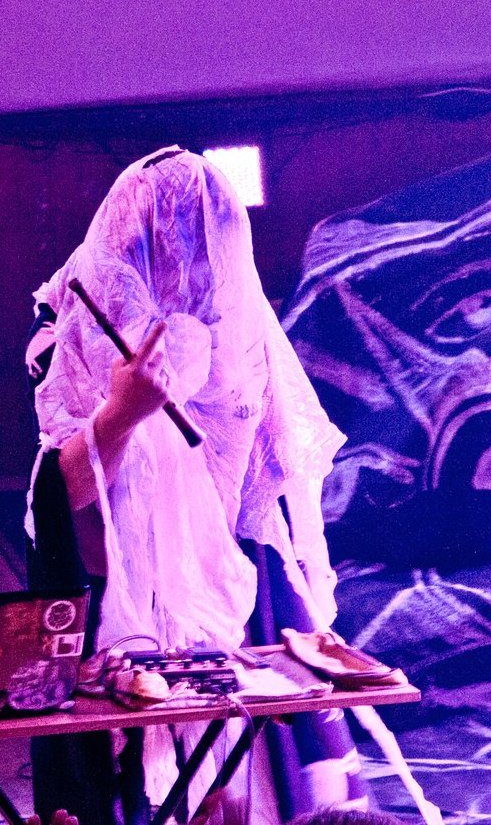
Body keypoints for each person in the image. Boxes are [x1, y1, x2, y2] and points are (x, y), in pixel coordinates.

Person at [25, 147, 364, 824]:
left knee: (248, 784)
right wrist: (122, 415)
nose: (190, 259)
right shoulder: (75, 319)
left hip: (234, 589)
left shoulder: (240, 327)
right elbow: (58, 504)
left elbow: (265, 477)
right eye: (171, 236)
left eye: (205, 241)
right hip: (112, 604)